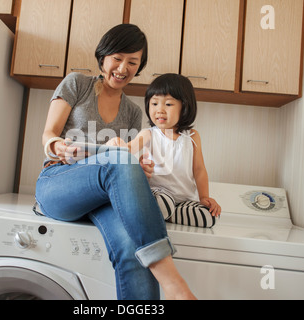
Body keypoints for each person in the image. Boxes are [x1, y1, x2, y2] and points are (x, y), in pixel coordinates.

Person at [35, 24, 195, 300]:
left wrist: (140, 169)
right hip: (59, 183)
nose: (123, 68)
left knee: (133, 250)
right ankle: (174, 286)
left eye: (132, 62)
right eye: (117, 59)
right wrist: (58, 145)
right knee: (117, 159)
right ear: (103, 57)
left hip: (104, 198)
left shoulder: (133, 113)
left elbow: (126, 163)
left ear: (139, 67)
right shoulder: (77, 84)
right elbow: (48, 135)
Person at [108, 74, 221, 227]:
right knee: (162, 201)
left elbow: (199, 170)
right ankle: (165, 211)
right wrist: (120, 145)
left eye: (168, 104)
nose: (159, 110)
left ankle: (169, 214)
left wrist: (204, 197)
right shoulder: (150, 133)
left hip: (184, 199)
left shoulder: (193, 137)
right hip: (158, 193)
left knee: (209, 217)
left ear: (185, 106)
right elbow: (131, 146)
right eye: (154, 103)